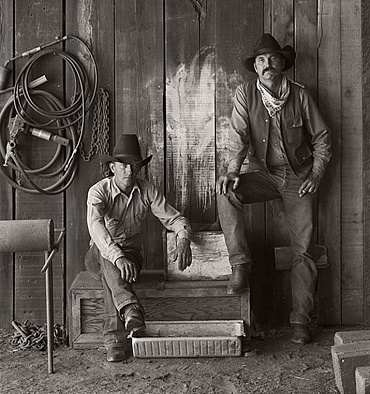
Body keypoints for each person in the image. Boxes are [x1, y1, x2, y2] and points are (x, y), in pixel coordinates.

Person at [216, 33, 331, 344]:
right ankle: (240, 264)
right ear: (255, 67)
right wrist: (231, 171)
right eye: (261, 60)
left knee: (303, 251)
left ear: (282, 64)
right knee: (225, 190)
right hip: (264, 174)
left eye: (272, 59)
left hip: (298, 178)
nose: (267, 64)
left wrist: (316, 176)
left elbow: (323, 140)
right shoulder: (245, 94)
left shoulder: (301, 96)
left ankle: (301, 322)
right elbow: (238, 138)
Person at [85, 134, 193, 362]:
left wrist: (183, 237)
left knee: (112, 275)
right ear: (112, 167)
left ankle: (116, 340)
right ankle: (130, 309)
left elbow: (173, 219)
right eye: (123, 166)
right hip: (98, 255)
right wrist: (116, 256)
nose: (129, 171)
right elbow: (96, 227)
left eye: (134, 166)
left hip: (132, 259)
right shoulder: (98, 191)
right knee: (108, 259)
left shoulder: (147, 190)